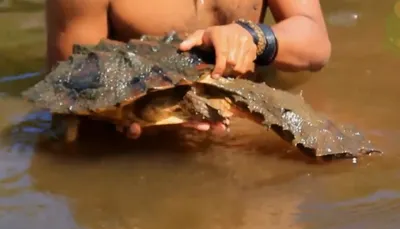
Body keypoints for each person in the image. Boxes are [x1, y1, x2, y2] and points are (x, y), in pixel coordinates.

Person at [45, 0, 331, 138]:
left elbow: (315, 43)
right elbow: (67, 85)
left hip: (255, 119)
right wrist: (129, 113)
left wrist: (255, 37)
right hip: (148, 142)